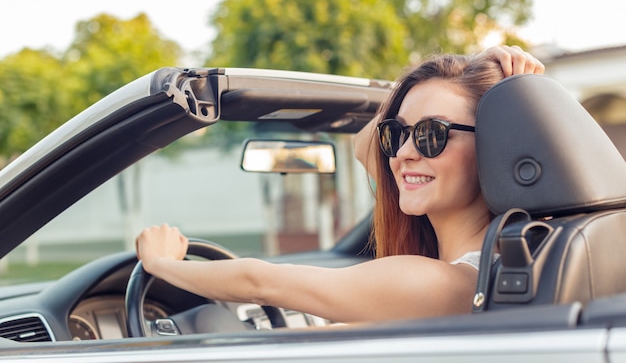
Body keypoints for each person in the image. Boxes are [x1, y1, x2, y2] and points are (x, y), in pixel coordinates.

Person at [135, 46, 544, 323]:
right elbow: (366, 145)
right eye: (397, 133)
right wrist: (472, 67)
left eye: (432, 134)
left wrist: (162, 265)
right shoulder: (501, 268)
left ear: (494, 148)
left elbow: (260, 282)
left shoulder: (443, 283)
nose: (403, 154)